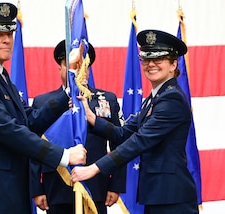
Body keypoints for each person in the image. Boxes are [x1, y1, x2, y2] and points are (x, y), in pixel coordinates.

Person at [0, 3, 87, 214]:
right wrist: (63, 156)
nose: (7, 39)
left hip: (10, 190)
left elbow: (28, 121)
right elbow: (8, 130)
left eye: (9, 33)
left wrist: (67, 94)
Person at [71, 29, 199, 214]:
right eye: (146, 59)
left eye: (158, 59)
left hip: (172, 198)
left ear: (173, 64)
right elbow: (122, 134)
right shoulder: (154, 98)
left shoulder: (172, 100)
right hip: (158, 194)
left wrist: (94, 168)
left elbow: (139, 141)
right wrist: (91, 117)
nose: (151, 64)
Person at [30, 40, 126, 214]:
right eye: (71, 65)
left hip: (96, 186)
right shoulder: (43, 102)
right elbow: (34, 147)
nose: (78, 70)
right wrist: (37, 188)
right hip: (57, 187)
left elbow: (119, 144)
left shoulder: (107, 99)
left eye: (82, 65)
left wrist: (116, 184)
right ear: (60, 67)